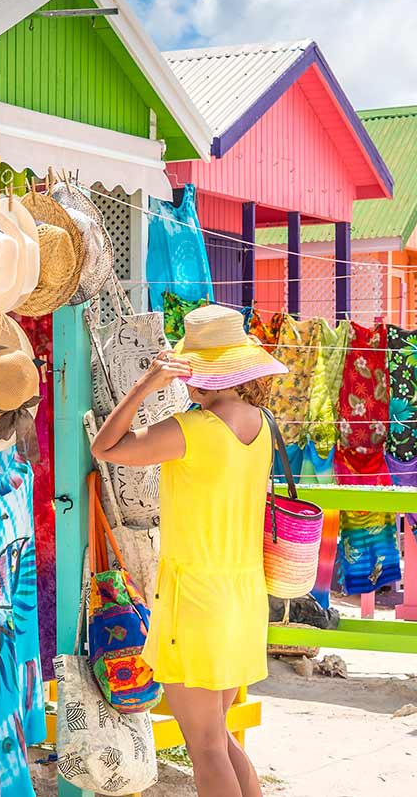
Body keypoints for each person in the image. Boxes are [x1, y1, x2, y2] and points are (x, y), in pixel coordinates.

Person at [90, 305, 286, 797]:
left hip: (196, 600)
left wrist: (145, 387)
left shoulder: (192, 430)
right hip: (242, 596)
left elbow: (106, 446)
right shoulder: (261, 424)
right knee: (217, 739)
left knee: (204, 747)